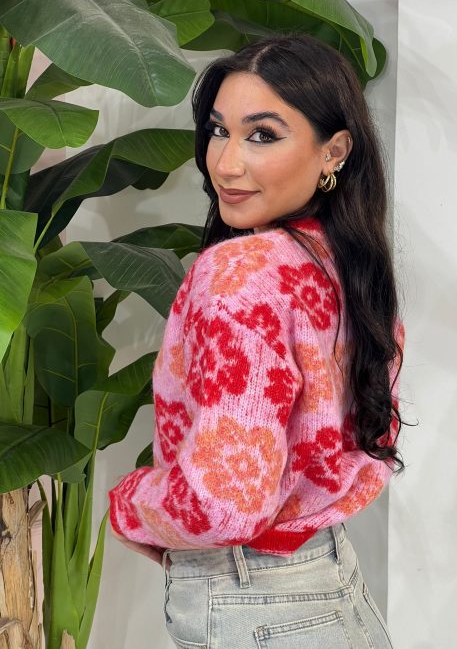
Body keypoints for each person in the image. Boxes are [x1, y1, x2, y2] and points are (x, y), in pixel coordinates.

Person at [108, 33, 405, 649]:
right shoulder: (350, 267)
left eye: (262, 135)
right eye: (218, 131)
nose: (225, 163)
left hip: (251, 602)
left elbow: (224, 504)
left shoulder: (241, 273)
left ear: (334, 151)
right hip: (334, 583)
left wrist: (130, 504)